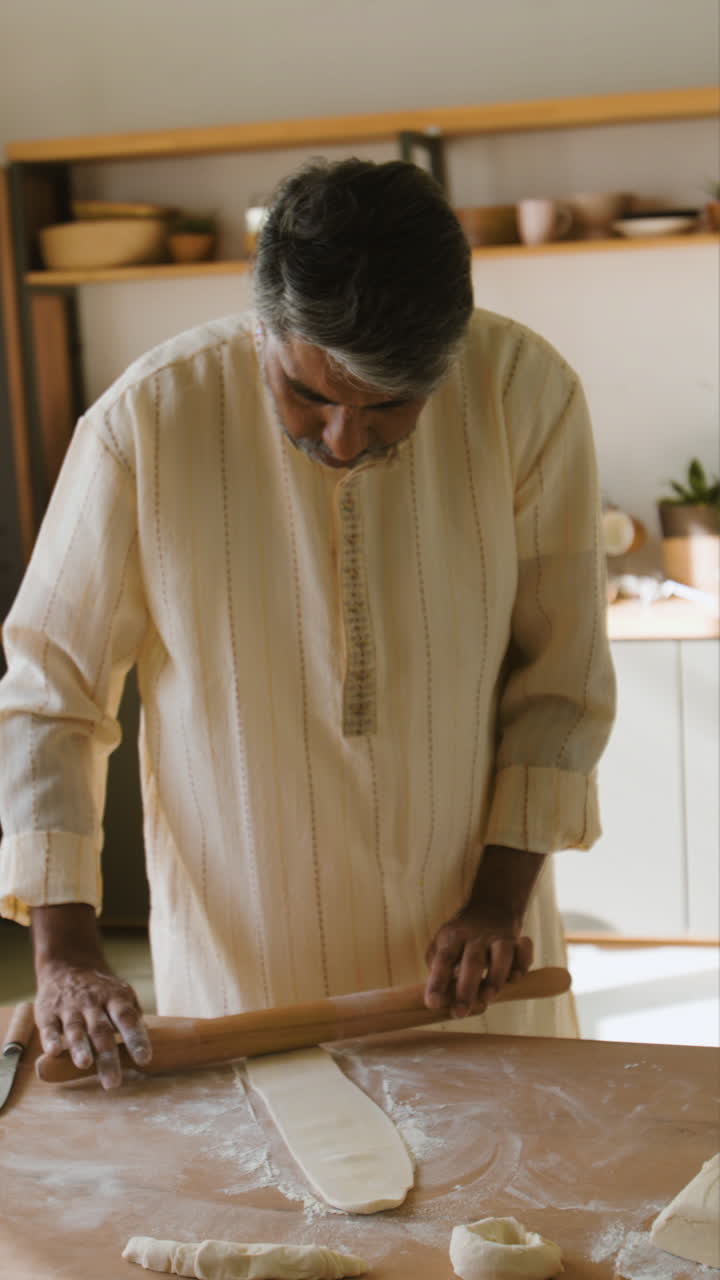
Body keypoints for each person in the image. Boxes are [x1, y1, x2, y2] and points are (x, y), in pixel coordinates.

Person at [0, 159, 615, 1089]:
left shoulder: (524, 394)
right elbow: (52, 698)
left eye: (389, 408)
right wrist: (67, 954)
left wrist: (497, 905)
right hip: (241, 963)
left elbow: (559, 684)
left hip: (474, 953)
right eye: (311, 395)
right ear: (267, 328)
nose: (343, 441)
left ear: (446, 360)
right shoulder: (147, 421)